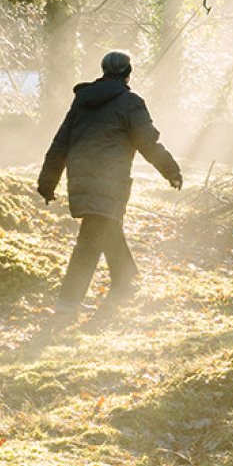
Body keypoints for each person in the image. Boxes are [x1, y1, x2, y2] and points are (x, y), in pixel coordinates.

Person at [36, 50, 183, 322]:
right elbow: (147, 142)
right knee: (90, 240)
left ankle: (126, 280)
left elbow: (61, 143)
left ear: (103, 71)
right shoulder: (130, 102)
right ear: (128, 74)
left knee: (106, 227)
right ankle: (67, 305)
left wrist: (48, 181)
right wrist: (171, 171)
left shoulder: (82, 101)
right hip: (110, 179)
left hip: (81, 177)